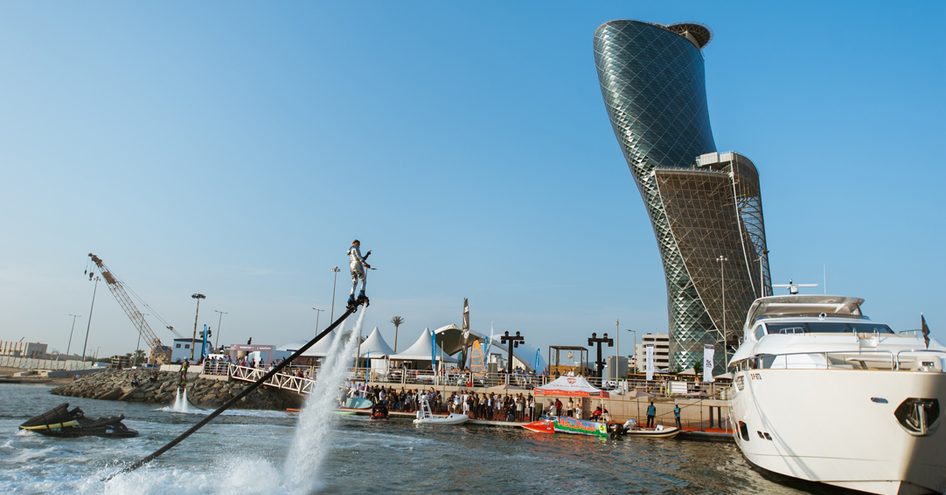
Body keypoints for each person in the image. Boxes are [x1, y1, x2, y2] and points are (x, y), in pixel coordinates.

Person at [347, 239, 371, 306]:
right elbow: (359, 257)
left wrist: (367, 254)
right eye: (359, 244)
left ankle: (351, 297)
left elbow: (361, 257)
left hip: (351, 266)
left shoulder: (350, 250)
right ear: (355, 243)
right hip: (357, 265)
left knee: (354, 281)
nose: (359, 246)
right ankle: (361, 294)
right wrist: (365, 264)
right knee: (363, 279)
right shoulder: (355, 247)